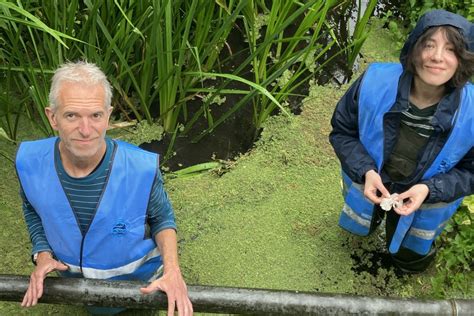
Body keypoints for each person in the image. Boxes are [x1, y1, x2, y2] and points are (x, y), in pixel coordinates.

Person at [15, 61, 193, 315]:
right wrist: (42, 253)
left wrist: (173, 271)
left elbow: (162, 219)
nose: (86, 130)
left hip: (143, 289)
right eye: (72, 115)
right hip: (76, 289)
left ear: (108, 116)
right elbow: (32, 207)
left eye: (95, 115)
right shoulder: (28, 161)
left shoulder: (141, 167)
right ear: (52, 117)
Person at [329, 9, 474, 273]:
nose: (437, 57)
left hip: (425, 203)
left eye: (451, 49)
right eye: (428, 44)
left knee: (410, 252)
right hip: (373, 186)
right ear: (413, 49)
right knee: (362, 225)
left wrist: (430, 190)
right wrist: (366, 170)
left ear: (462, 59)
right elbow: (342, 132)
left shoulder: (472, 112)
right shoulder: (373, 82)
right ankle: (363, 235)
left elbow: (471, 172)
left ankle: (405, 266)